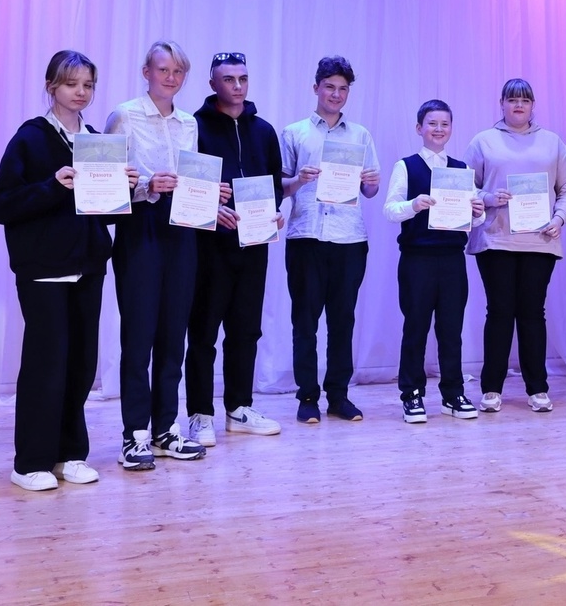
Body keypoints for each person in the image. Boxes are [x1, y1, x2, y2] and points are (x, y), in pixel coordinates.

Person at [0, 51, 138, 490]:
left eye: (88, 85)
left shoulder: (97, 142)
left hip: (88, 266)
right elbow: (0, 206)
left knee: (81, 365)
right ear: (51, 86)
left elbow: (102, 213)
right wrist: (52, 185)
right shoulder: (30, 138)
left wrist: (125, 192)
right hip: (43, 270)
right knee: (46, 365)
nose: (81, 92)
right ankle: (30, 462)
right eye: (72, 83)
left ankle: (69, 454)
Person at [106, 41, 210, 468]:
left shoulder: (189, 123)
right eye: (163, 69)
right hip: (140, 228)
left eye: (178, 71)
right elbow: (105, 182)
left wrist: (210, 196)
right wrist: (148, 187)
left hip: (182, 228)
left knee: (173, 334)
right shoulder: (124, 115)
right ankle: (134, 435)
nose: (171, 77)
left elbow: (193, 177)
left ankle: (166, 428)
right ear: (146, 71)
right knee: (139, 336)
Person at [184, 52, 285, 447]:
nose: (238, 86)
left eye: (243, 78)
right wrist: (212, 210)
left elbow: (273, 186)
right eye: (228, 79)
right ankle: (200, 414)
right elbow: (189, 189)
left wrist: (274, 214)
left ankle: (240, 408)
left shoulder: (264, 130)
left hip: (254, 245)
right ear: (213, 83)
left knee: (246, 330)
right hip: (209, 247)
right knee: (204, 332)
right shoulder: (195, 127)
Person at [464, 78, 566, 414]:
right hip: (495, 239)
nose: (518, 105)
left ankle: (538, 388)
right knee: (499, 313)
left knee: (532, 313)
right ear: (501, 103)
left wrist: (559, 219)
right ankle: (491, 389)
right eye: (512, 100)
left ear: (532, 105)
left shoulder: (552, 143)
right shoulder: (484, 141)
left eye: (524, 100)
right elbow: (465, 188)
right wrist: (488, 197)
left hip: (540, 241)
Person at [281, 56, 380, 424]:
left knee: (343, 322)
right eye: (330, 87)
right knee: (304, 322)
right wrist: (299, 180)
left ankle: (338, 395)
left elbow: (370, 190)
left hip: (349, 239)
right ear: (316, 88)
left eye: (343, 89)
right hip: (306, 236)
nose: (336, 94)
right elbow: (281, 186)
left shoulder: (361, 136)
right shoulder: (294, 133)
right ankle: (307, 396)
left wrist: (371, 182)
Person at [383, 100, 485, 423]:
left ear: (451, 128)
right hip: (417, 259)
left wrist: (478, 213)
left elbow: (475, 220)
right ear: (419, 128)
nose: (438, 129)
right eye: (432, 123)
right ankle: (411, 394)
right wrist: (414, 205)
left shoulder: (461, 170)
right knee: (416, 327)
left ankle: (453, 393)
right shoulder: (406, 166)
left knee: (451, 329)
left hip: (452, 259)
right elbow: (390, 210)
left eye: (444, 124)